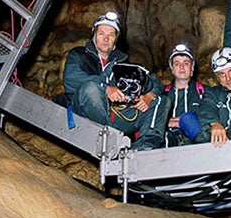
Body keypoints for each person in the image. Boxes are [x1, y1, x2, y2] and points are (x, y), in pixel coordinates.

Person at [58, 10, 169, 151]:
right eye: (101, 33)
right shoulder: (78, 55)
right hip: (85, 109)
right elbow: (71, 80)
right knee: (91, 88)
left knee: (162, 100)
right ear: (94, 36)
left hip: (115, 115)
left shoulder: (122, 64)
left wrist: (149, 95)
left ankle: (143, 147)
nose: (106, 39)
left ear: (115, 39)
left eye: (111, 35)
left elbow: (152, 80)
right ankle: (111, 138)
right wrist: (105, 88)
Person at [163, 43, 206, 146]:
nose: (181, 67)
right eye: (177, 63)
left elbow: (210, 117)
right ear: (172, 69)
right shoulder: (163, 95)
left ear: (192, 68)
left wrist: (183, 122)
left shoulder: (205, 92)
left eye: (186, 63)